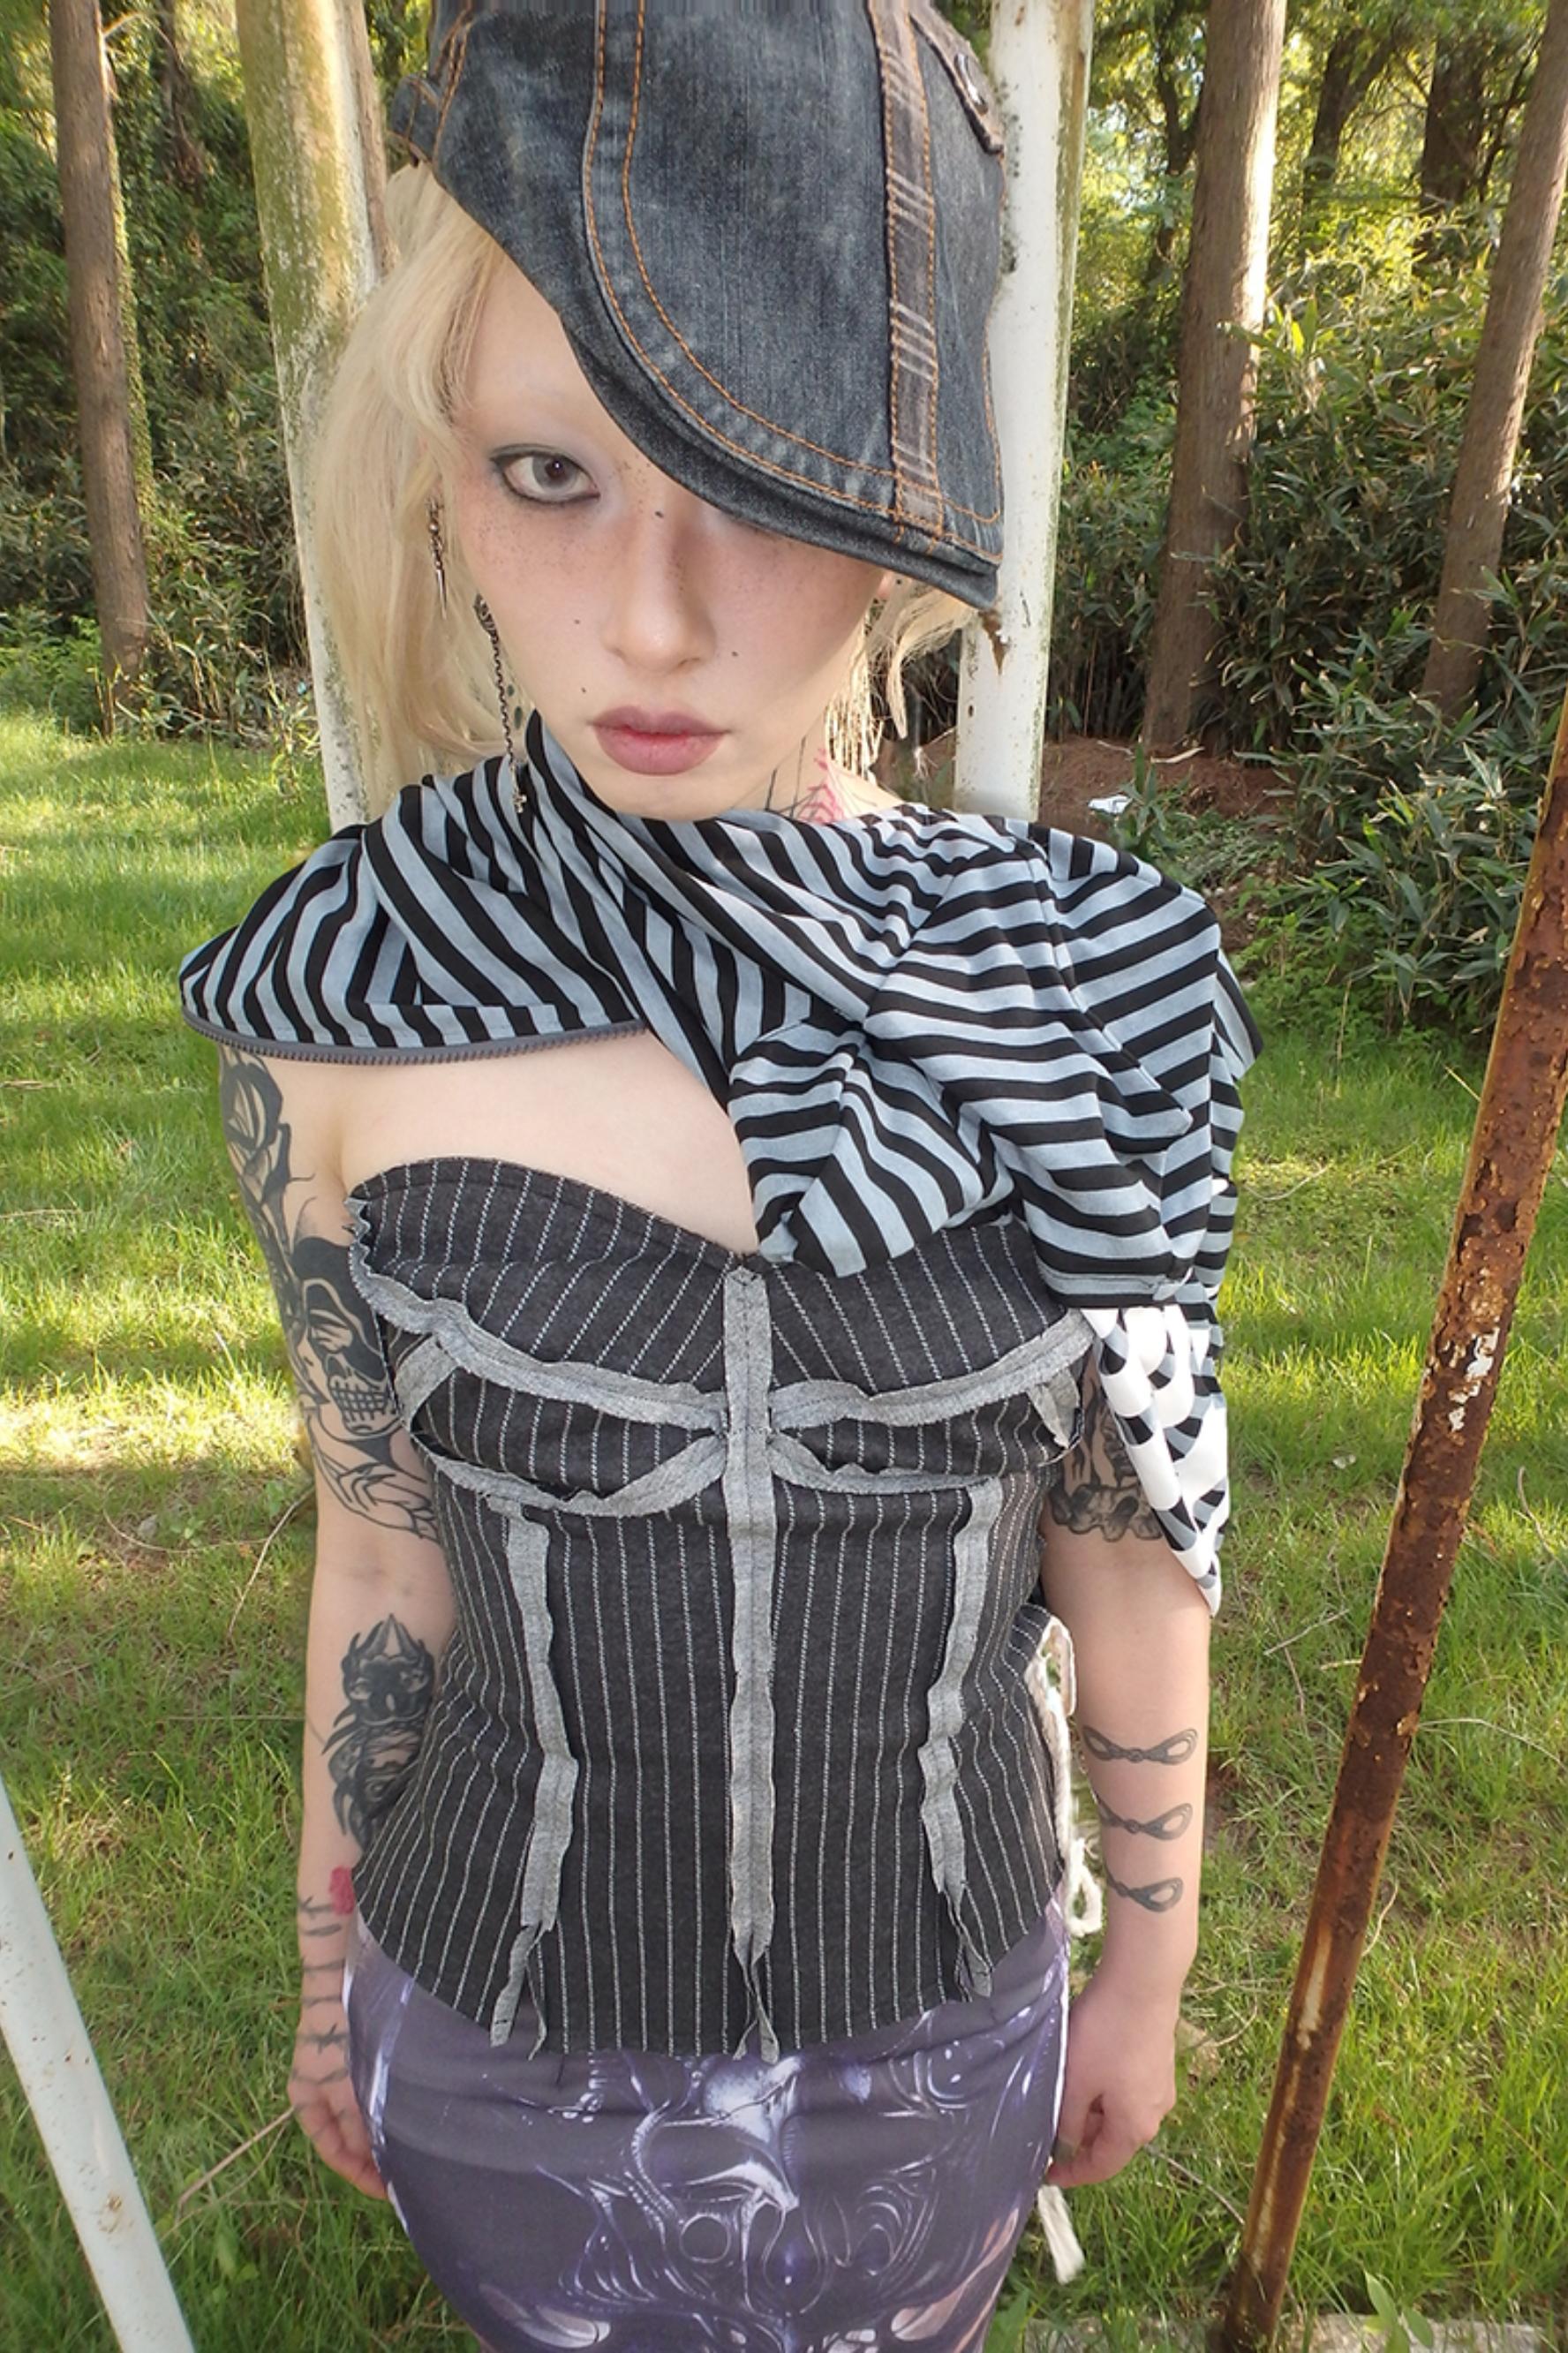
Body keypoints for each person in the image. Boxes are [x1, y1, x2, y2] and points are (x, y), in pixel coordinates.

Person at [179, 6, 1262, 2347]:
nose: (654, 617)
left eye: (766, 491)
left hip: (940, 2036)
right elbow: (378, 1538)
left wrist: (1148, 1967)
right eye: (550, 474)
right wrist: (324, 1972)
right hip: (502, 2040)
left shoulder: (1087, 993)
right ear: (441, 477)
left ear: (905, 516)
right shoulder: (336, 1003)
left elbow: (1126, 1535)